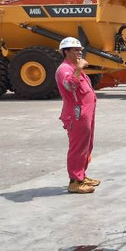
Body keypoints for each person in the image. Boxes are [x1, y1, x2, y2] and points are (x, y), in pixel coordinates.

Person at [56, 37, 100, 194]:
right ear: (65, 52)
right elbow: (70, 85)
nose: (79, 52)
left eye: (80, 50)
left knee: (87, 145)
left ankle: (81, 175)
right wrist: (80, 67)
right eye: (75, 50)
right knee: (78, 147)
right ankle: (75, 181)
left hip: (85, 112)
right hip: (77, 114)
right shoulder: (64, 70)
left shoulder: (73, 67)